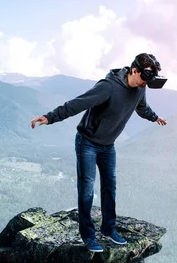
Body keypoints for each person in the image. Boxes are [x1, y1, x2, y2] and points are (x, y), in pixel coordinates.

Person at [30, 53, 168, 252]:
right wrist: (50, 117)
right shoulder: (108, 86)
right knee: (87, 190)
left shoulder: (139, 88)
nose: (145, 84)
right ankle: (88, 236)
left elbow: (142, 108)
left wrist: (155, 118)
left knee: (110, 187)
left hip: (108, 145)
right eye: (144, 78)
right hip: (87, 142)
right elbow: (77, 104)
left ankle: (108, 229)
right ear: (134, 70)